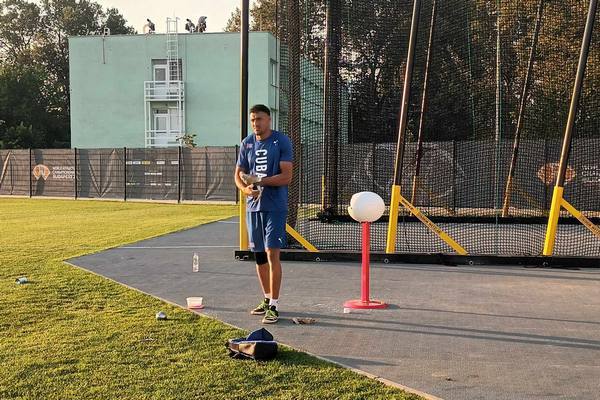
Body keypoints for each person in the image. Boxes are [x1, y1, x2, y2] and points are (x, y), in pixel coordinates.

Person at [235, 104, 293, 324]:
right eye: (252, 120)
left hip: (275, 206)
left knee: (272, 254)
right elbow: (238, 174)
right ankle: (267, 299)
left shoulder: (281, 141)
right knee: (259, 255)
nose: (255, 124)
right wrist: (245, 189)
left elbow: (287, 177)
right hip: (253, 208)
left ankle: (275, 306)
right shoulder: (247, 143)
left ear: (269, 119)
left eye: (259, 119)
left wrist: (259, 180)